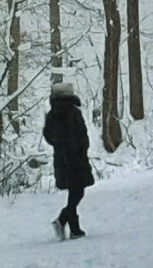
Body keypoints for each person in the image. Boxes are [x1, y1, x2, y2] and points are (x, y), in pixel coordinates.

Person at [43, 81, 94, 240]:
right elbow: (80, 134)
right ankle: (62, 220)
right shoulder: (73, 112)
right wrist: (80, 146)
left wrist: (60, 146)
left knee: (75, 191)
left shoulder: (53, 114)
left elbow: (49, 136)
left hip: (63, 158)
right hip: (76, 158)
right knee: (77, 192)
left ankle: (74, 228)